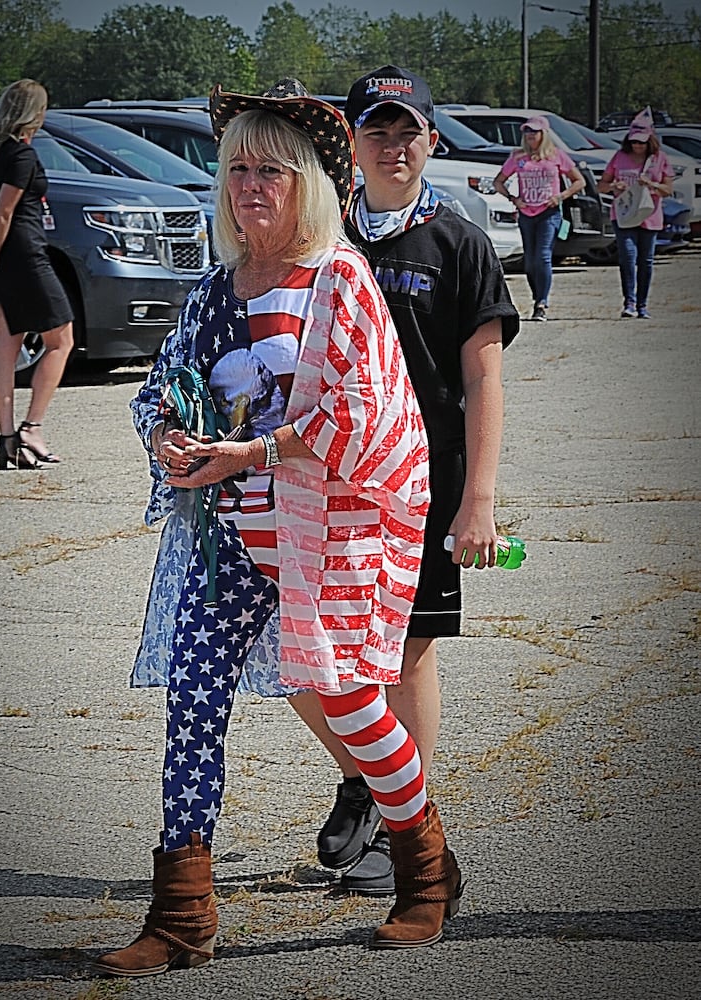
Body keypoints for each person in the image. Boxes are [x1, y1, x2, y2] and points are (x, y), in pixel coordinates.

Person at [95, 78, 461, 979]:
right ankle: (182, 915)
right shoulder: (218, 289)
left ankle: (428, 872)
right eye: (237, 169)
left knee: (352, 704)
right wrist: (171, 435)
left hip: (323, 542)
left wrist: (249, 453)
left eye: (272, 170)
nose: (250, 186)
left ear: (308, 185)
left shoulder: (341, 279)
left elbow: (366, 414)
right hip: (230, 548)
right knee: (191, 706)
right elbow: (158, 389)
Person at [288, 65, 520, 898]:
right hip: (322, 479)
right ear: (350, 139)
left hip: (423, 483)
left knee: (405, 654)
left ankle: (403, 833)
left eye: (408, 130)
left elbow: (484, 377)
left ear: (432, 138)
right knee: (303, 661)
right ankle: (370, 780)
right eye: (376, 130)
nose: (394, 145)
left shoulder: (457, 241)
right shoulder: (317, 236)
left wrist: (480, 498)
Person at [0, 78, 73, 469]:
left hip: (3, 262)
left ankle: (7, 439)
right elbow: (3, 212)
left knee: (6, 352)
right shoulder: (23, 156)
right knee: (61, 340)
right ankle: (32, 427)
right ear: (35, 114)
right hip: (25, 257)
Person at [492, 115, 585, 322]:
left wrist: (560, 196)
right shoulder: (518, 157)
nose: (530, 136)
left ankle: (542, 302)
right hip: (526, 213)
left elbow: (579, 181)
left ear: (544, 134)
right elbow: (498, 182)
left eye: (534, 132)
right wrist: (513, 199)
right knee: (531, 261)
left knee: (543, 256)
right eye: (527, 131)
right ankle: (536, 296)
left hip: (549, 213)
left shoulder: (556, 156)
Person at [596, 106, 674, 319]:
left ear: (650, 140)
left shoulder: (660, 159)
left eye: (641, 142)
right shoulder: (619, 157)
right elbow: (601, 185)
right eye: (633, 141)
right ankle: (629, 301)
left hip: (650, 215)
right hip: (624, 215)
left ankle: (643, 304)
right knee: (628, 257)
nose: (637, 146)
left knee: (646, 260)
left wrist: (651, 184)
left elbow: (668, 190)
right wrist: (614, 186)